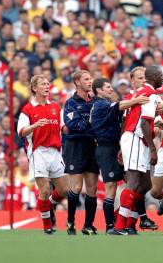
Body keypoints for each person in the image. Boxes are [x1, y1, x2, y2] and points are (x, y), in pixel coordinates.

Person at [89, 77, 148, 232]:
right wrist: (137, 100)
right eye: (107, 87)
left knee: (134, 182)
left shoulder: (104, 104)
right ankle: (110, 225)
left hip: (116, 147)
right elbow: (120, 105)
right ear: (99, 91)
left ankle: (130, 219)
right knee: (111, 187)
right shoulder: (101, 104)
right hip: (106, 148)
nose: (111, 89)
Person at [111, 65, 163, 235]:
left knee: (145, 183)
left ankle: (129, 222)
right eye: (161, 75)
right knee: (133, 182)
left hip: (136, 139)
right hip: (136, 138)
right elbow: (144, 123)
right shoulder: (150, 94)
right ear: (154, 77)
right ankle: (119, 226)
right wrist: (154, 149)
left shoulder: (138, 94)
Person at [17, 75, 69, 234]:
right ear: (34, 88)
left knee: (64, 191)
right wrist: (34, 126)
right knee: (44, 190)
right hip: (38, 152)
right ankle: (47, 225)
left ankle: (50, 204)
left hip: (55, 152)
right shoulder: (28, 109)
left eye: (48, 83)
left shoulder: (55, 107)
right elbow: (21, 132)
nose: (47, 86)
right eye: (43, 84)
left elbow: (64, 128)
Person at [62, 70, 100, 235]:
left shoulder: (96, 102)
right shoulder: (70, 103)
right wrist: (90, 122)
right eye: (86, 79)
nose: (90, 81)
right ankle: (70, 223)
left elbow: (98, 123)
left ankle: (88, 225)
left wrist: (88, 123)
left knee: (92, 188)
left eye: (90, 78)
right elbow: (73, 124)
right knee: (76, 187)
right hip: (75, 147)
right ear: (77, 82)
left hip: (92, 146)